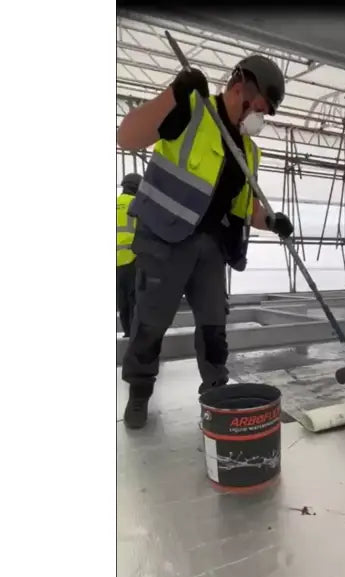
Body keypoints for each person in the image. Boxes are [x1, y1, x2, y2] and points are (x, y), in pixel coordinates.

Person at [117, 55, 294, 429]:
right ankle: (139, 392)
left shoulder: (249, 151)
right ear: (239, 88)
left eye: (265, 112)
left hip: (211, 248)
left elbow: (244, 207)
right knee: (150, 322)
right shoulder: (193, 110)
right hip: (164, 240)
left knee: (214, 325)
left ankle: (216, 390)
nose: (259, 117)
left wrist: (270, 220)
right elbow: (127, 136)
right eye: (259, 108)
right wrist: (174, 94)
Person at [116, 173, 142, 338]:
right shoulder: (137, 204)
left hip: (116, 260)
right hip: (134, 257)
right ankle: (135, 333)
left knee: (122, 299)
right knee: (136, 299)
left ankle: (127, 331)